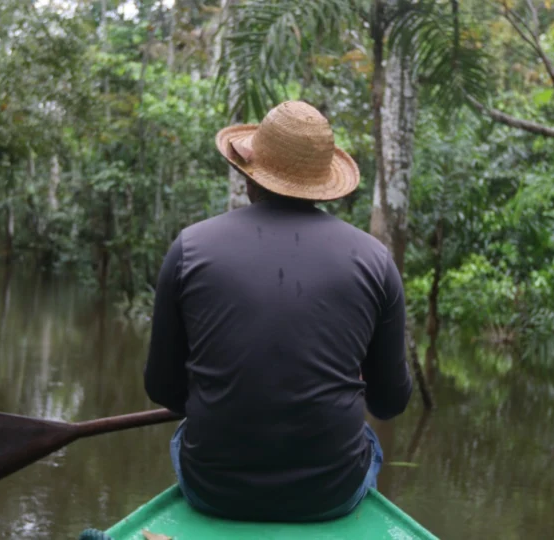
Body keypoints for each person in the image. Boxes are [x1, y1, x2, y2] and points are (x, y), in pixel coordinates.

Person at [143, 100, 412, 522]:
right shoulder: (376, 260)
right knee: (367, 440)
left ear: (251, 178)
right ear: (323, 184)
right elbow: (389, 403)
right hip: (331, 494)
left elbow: (164, 391)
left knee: (184, 434)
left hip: (214, 489)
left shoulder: (190, 247)